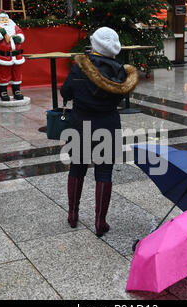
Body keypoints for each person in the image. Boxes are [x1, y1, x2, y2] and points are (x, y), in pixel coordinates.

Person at [60, 27, 138, 237]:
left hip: (80, 123)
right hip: (107, 124)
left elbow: (65, 92)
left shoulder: (79, 68)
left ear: (94, 45)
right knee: (104, 172)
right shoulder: (121, 72)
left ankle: (73, 214)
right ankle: (100, 222)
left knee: (77, 167)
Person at [0, 9, 25, 102]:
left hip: (16, 56)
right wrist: (0, 33)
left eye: (5, 19)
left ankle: (17, 91)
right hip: (3, 57)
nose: (5, 21)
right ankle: (3, 91)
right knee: (3, 74)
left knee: (17, 74)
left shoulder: (13, 25)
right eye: (2, 20)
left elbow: (20, 33)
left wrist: (19, 38)